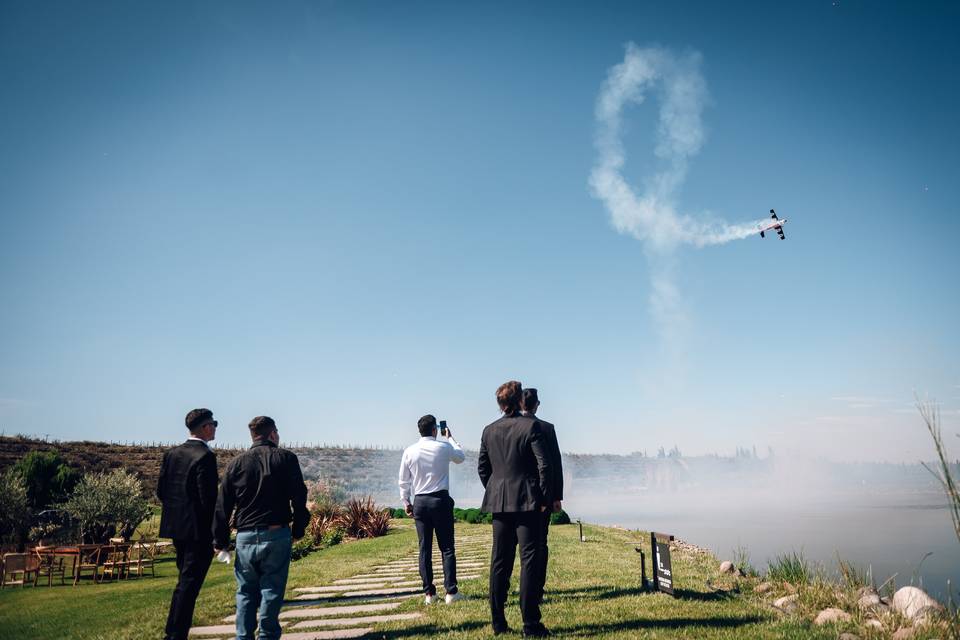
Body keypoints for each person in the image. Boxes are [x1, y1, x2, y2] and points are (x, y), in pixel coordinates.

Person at [213, 416, 309, 640]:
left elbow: (222, 505)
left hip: (245, 535)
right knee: (272, 589)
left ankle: (243, 636)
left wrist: (220, 540)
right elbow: (299, 496)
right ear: (273, 434)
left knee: (245, 591)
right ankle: (267, 635)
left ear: (253, 436)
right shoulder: (286, 458)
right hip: (277, 533)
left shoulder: (236, 463)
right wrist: (299, 529)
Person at [478, 381, 552, 637]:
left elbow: (483, 469)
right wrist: (543, 497)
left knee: (499, 561)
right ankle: (530, 624)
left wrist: (497, 490)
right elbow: (544, 466)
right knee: (529, 561)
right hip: (528, 502)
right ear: (520, 400)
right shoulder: (530, 426)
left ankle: (498, 622)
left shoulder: (488, 431)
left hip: (499, 503)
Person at [158, 408, 219, 640]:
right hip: (197, 531)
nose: (215, 427)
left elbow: (161, 491)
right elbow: (208, 500)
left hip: (177, 528)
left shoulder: (172, 454)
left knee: (184, 581)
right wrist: (216, 532)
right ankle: (175, 634)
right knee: (189, 585)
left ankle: (174, 632)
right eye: (214, 423)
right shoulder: (205, 457)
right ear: (205, 427)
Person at [398, 414, 467, 605]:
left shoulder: (409, 451)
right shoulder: (443, 447)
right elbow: (460, 457)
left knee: (424, 549)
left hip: (420, 501)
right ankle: (451, 592)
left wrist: (406, 502)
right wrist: (450, 437)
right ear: (435, 430)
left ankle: (429, 593)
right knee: (446, 547)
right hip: (440, 500)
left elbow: (404, 481)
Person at [520, 388, 564, 605]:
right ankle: (537, 589)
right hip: (541, 496)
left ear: (520, 404)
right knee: (540, 543)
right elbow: (554, 464)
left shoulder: (511, 427)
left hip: (516, 497)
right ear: (537, 404)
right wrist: (554, 497)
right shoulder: (546, 428)